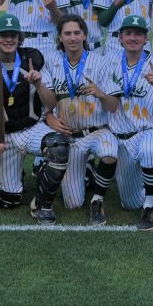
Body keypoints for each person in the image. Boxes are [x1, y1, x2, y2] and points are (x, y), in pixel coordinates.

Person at [0, 14, 72, 224]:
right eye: (3, 35)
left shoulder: (32, 60)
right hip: (4, 134)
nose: (8, 39)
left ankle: (43, 206)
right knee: (8, 201)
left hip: (31, 128)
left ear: (20, 37)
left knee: (58, 146)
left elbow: (52, 102)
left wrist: (39, 83)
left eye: (13, 35)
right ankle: (27, 175)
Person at [36, 15, 119, 225]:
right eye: (67, 33)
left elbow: (113, 106)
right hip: (69, 136)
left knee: (109, 151)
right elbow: (50, 102)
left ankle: (98, 200)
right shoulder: (52, 62)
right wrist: (48, 115)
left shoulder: (101, 62)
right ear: (60, 38)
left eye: (76, 33)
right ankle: (88, 170)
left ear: (84, 35)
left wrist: (101, 93)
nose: (72, 38)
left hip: (96, 130)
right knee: (72, 202)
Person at [106, 15, 153, 230]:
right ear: (119, 38)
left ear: (146, 38)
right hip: (122, 139)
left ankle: (150, 207)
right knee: (129, 203)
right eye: (128, 33)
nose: (133, 37)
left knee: (149, 149)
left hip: (151, 130)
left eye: (138, 33)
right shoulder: (109, 62)